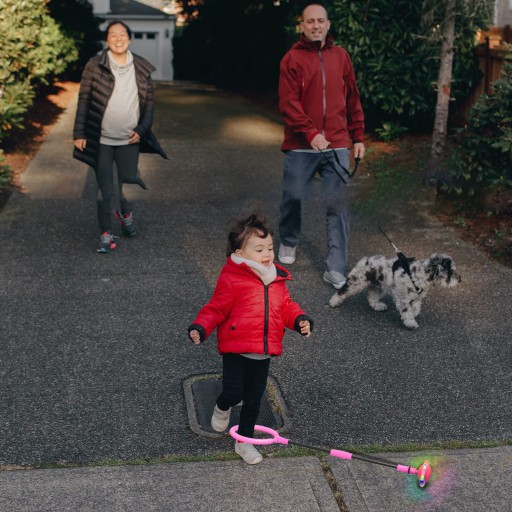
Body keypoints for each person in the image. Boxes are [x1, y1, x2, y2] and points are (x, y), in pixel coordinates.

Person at [188, 213, 313, 465]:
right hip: (236, 349)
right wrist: (201, 327)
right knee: (233, 393)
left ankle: (244, 442)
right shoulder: (233, 278)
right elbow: (216, 308)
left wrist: (300, 319)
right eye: (259, 249)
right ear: (240, 253)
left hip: (263, 352)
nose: (267, 254)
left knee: (254, 399)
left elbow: (286, 307)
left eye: (270, 248)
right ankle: (222, 406)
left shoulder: (276, 278)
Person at [277, 2, 365, 289]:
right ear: (302, 25)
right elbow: (288, 104)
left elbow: (352, 98)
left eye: (320, 21)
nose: (316, 25)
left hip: (337, 143)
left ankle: (335, 268)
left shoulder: (341, 56)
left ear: (328, 25)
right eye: (310, 21)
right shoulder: (291, 59)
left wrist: (358, 136)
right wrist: (311, 132)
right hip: (301, 144)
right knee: (292, 195)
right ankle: (289, 239)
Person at [73, 20, 168, 253]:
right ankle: (106, 233)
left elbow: (149, 104)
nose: (118, 38)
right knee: (105, 189)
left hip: (129, 139)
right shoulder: (95, 65)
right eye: (113, 34)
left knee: (126, 178)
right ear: (107, 40)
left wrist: (142, 130)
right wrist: (79, 132)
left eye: (122, 34)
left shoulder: (141, 67)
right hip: (101, 139)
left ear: (129, 39)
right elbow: (84, 99)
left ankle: (124, 211)